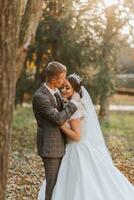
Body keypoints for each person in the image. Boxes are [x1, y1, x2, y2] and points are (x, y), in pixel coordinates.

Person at [38, 73, 134, 200]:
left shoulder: (75, 109)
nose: (64, 90)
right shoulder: (72, 105)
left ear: (76, 90)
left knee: (80, 182)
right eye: (63, 87)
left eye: (68, 88)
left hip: (76, 149)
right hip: (72, 148)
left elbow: (77, 136)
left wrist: (60, 125)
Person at [32, 62, 78, 200]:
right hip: (51, 148)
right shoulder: (40, 97)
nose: (64, 81)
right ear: (53, 80)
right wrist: (73, 104)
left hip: (63, 144)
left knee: (61, 183)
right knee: (52, 185)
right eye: (61, 78)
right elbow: (58, 118)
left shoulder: (56, 92)